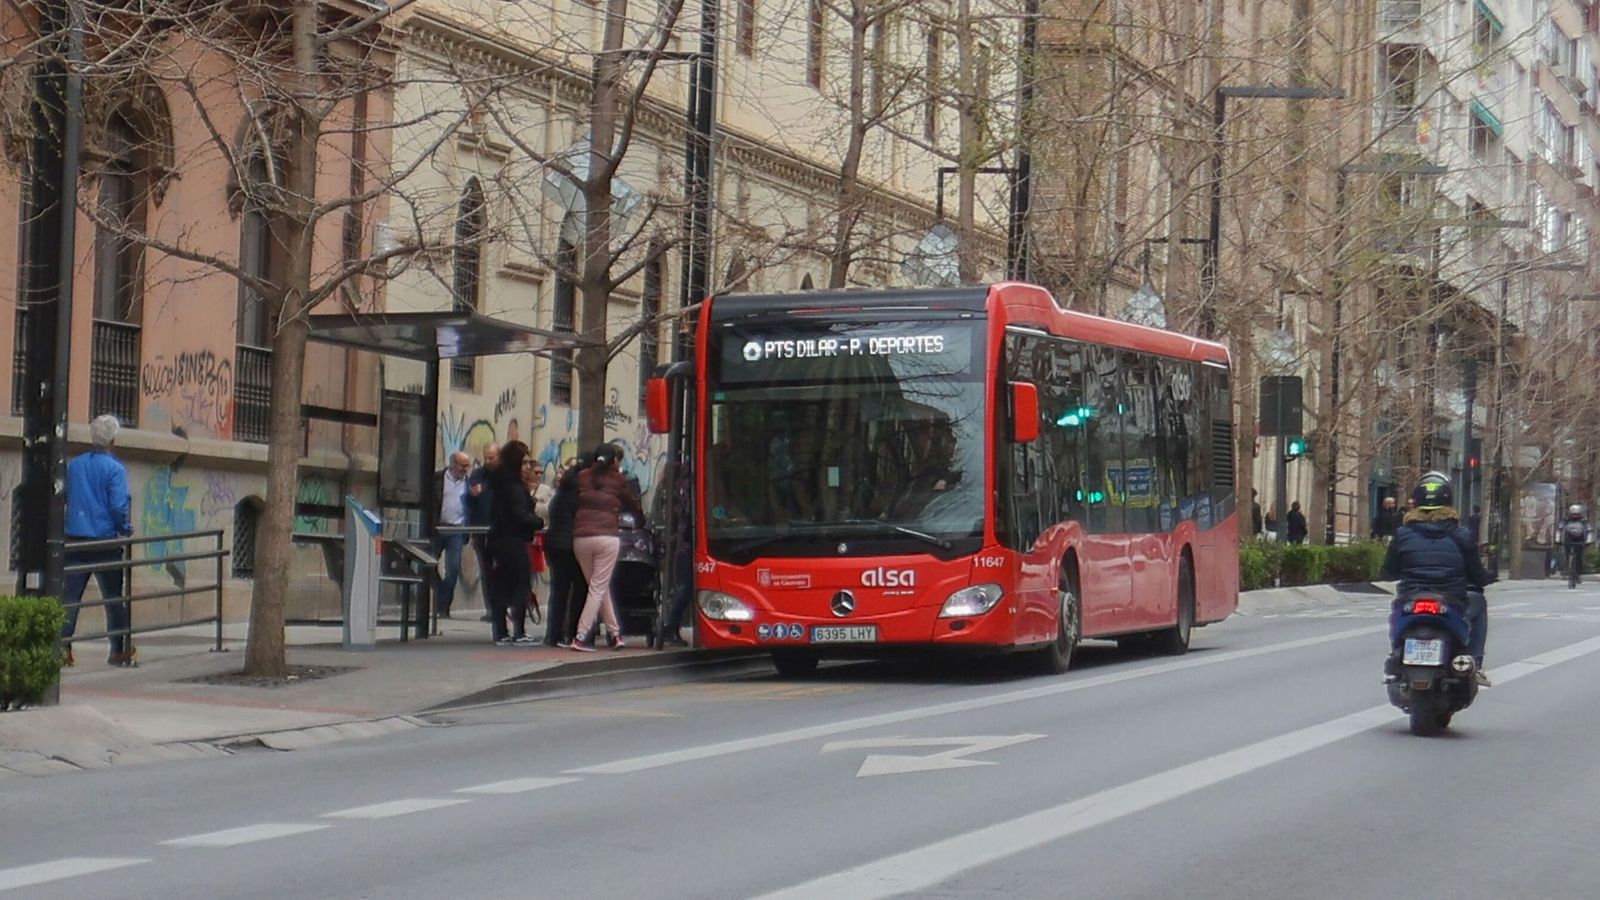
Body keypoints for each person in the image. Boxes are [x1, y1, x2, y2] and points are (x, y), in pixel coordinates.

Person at [1382, 472, 1493, 686]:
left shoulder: (1403, 534)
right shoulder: (1462, 534)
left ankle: (1397, 653)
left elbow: (1388, 572)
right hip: (1451, 599)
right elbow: (1477, 574)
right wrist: (1488, 577)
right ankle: (1476, 664)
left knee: (1395, 616)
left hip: (1411, 597)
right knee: (1479, 602)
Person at [61, 415, 134, 667]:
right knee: (113, 599)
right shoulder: (115, 469)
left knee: (70, 599)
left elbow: (65, 497)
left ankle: (63, 650)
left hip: (75, 539)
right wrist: (125, 528)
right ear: (113, 440)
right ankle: (117, 651)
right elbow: (117, 506)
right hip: (104, 541)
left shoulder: (74, 466)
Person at [570, 443, 643, 652]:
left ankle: (615, 633)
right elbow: (632, 504)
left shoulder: (582, 477)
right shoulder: (617, 479)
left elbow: (572, 498)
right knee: (598, 588)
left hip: (581, 538)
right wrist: (641, 520)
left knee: (598, 587)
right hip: (607, 537)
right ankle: (581, 636)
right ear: (614, 461)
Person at [486, 441, 543, 645]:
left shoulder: (500, 482)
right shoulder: (514, 486)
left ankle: (501, 631)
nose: (528, 467)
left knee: (502, 586)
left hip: (499, 540)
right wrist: (538, 521)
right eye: (525, 462)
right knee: (520, 585)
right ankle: (518, 630)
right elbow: (519, 514)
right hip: (513, 540)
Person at [541, 456, 590, 647]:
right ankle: (572, 632)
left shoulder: (560, 494)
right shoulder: (579, 497)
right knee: (579, 590)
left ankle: (553, 634)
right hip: (571, 546)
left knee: (558, 592)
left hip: (555, 546)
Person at [433, 451, 472, 619]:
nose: (465, 469)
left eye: (467, 466)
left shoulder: (469, 484)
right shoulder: (437, 479)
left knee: (453, 569)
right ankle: (439, 590)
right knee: (428, 564)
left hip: (456, 530)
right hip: (437, 528)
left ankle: (444, 606)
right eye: (462, 466)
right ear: (453, 464)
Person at [468, 443, 500, 624]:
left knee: (501, 571)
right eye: (486, 457)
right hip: (481, 530)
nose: (488, 461)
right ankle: (490, 609)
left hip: (501, 531)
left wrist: (485, 490)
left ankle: (502, 606)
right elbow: (471, 502)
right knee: (486, 571)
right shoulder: (478, 474)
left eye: (491, 458)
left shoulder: (504, 476)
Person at [1560, 504, 1589, 583]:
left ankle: (1578, 574)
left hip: (1579, 540)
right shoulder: (1566, 520)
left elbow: (1588, 530)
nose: (1575, 515)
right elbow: (1560, 528)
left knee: (1579, 557)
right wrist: (1559, 539)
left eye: (1576, 514)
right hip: (1568, 539)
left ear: (1579, 513)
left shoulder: (1583, 521)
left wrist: (1587, 541)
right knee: (1566, 554)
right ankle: (1566, 569)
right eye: (1573, 514)